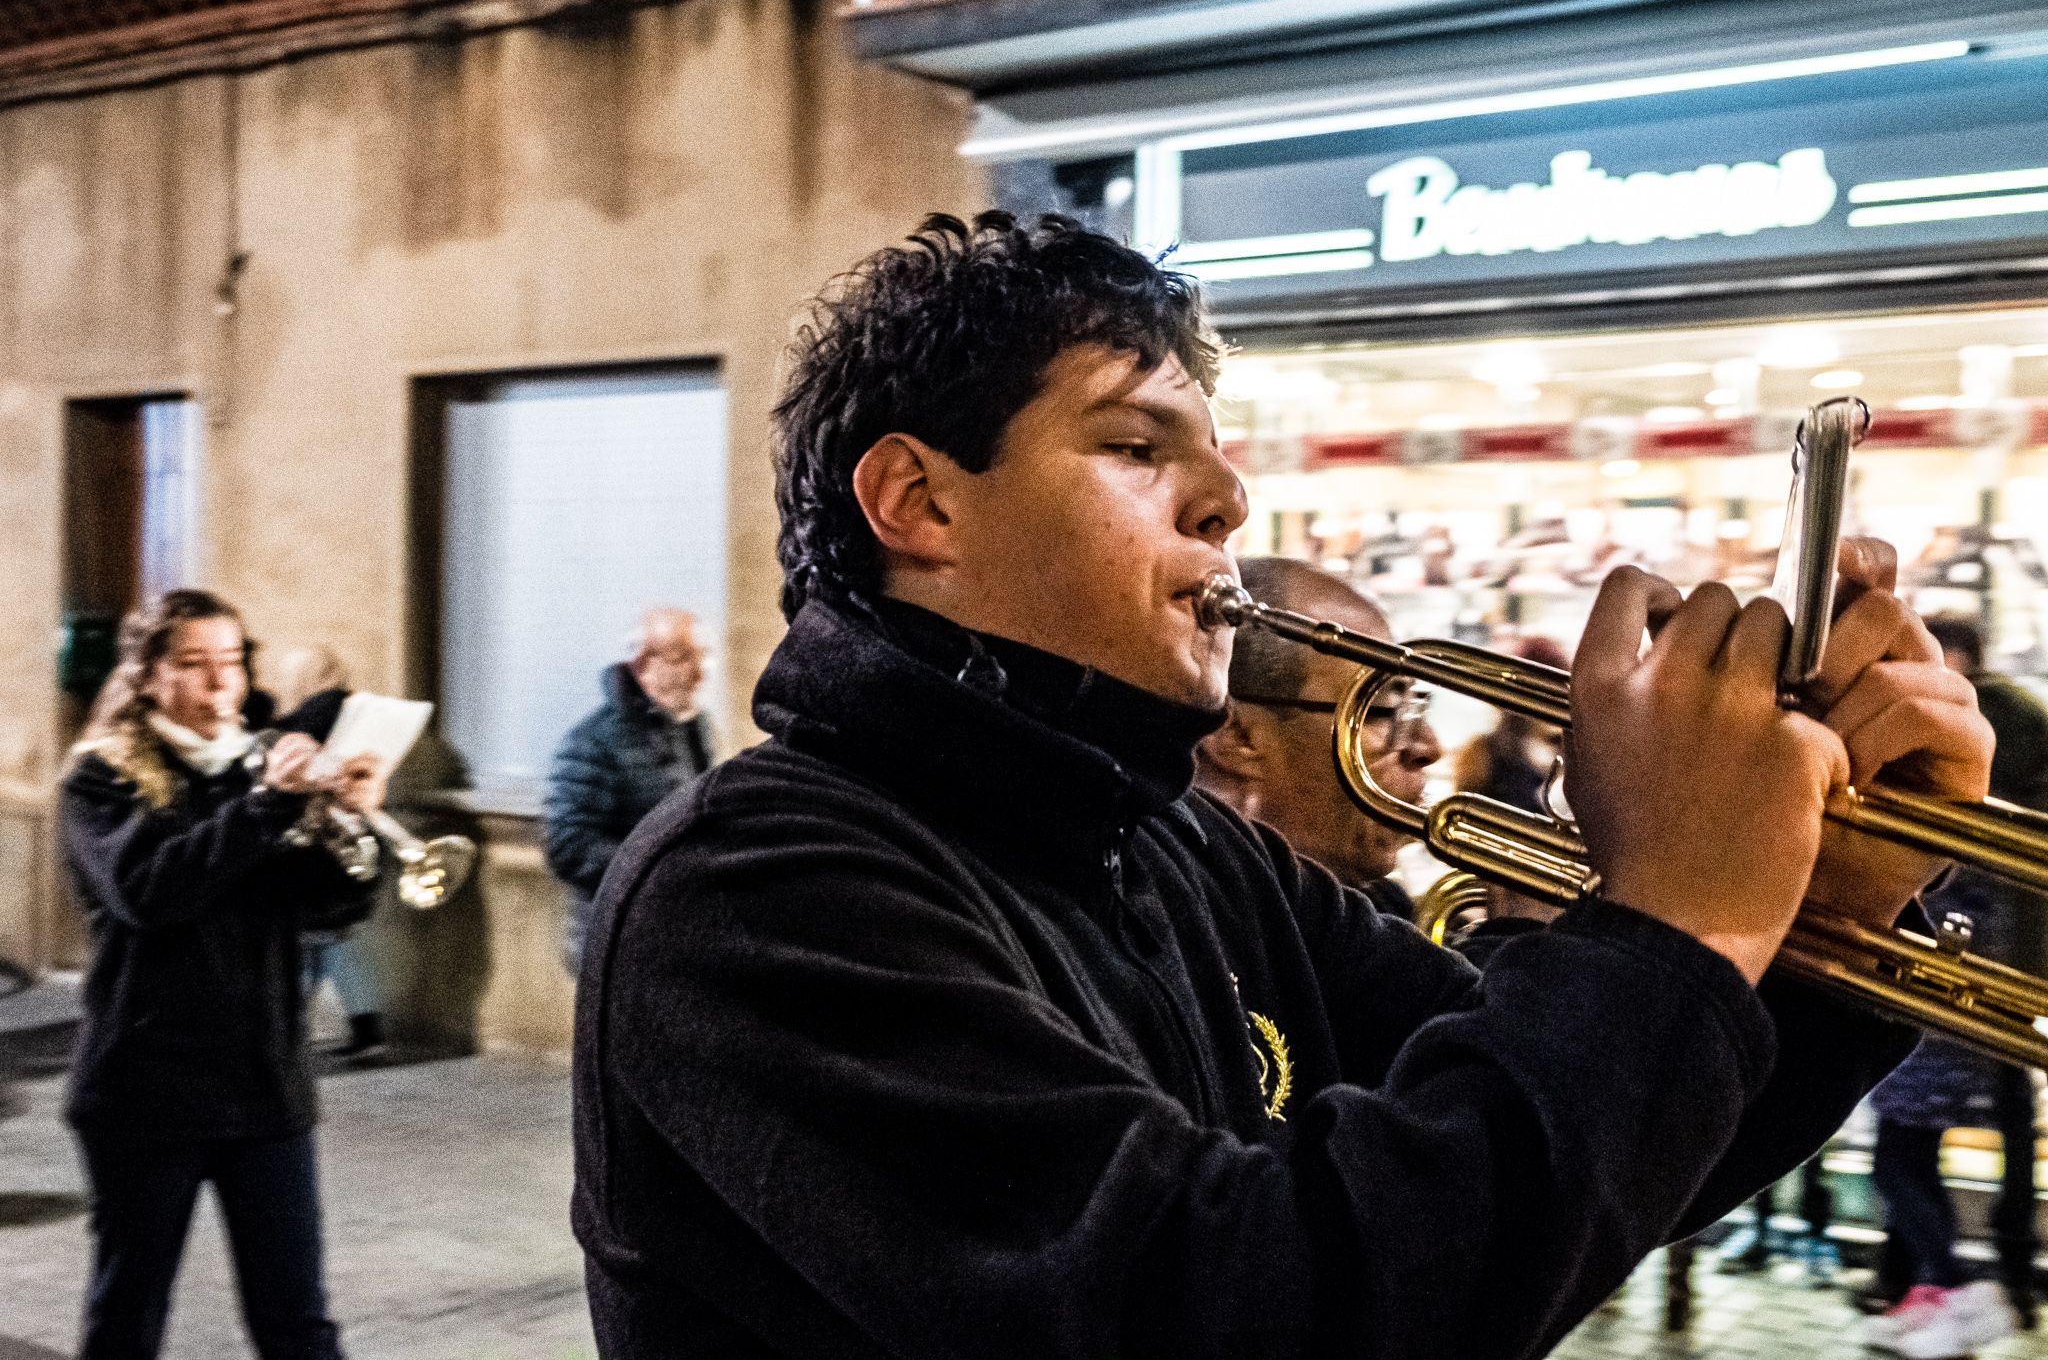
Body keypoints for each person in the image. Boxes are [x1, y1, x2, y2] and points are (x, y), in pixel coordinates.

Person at [572, 212, 1992, 1360]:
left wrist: (1823, 920)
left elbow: (1574, 1156)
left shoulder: (1176, 841)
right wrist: (1672, 921)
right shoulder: (757, 890)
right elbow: (1245, 1307)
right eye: (1136, 448)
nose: (1226, 499)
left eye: (1212, 449)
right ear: (919, 503)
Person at [59, 590, 388, 1360]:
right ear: (147, 675)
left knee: (297, 1321)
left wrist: (354, 823)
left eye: (233, 663)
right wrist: (270, 804)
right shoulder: (100, 781)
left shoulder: (257, 765)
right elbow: (150, 891)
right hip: (145, 1094)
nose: (221, 686)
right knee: (128, 1316)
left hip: (264, 1087)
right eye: (195, 666)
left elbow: (325, 907)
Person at [1858, 614, 2048, 1352]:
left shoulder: (1959, 740)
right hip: (1964, 966)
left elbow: (1939, 863)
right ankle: (1935, 1286)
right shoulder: (2005, 730)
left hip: (1941, 970)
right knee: (1920, 1139)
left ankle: (1959, 1288)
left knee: (1902, 1147)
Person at [1193, 555, 1439, 914]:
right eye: (1379, 709)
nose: (1430, 747)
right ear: (1238, 735)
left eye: (1414, 704)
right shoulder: (1211, 919)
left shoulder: (1374, 904)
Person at [545, 607, 716, 973]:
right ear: (644, 665)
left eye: (702, 659)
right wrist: (662, 863)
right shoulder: (592, 742)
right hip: (616, 941)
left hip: (676, 933)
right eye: (684, 659)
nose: (699, 676)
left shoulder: (694, 727)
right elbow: (568, 847)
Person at [263, 645, 391, 1063]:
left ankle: (286, 1035)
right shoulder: (355, 714)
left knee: (309, 944)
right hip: (351, 850)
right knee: (333, 943)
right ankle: (363, 1028)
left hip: (318, 853)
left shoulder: (312, 719)